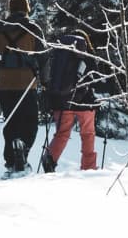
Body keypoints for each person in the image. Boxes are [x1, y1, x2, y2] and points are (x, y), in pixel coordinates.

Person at [0, 0, 45, 176]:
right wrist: (45, 81)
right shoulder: (34, 29)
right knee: (30, 121)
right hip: (27, 82)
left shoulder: (0, 30)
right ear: (26, 8)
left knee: (10, 121)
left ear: (11, 9)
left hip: (4, 83)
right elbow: (43, 57)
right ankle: (23, 148)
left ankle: (11, 161)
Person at [42, 31, 102, 172]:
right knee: (87, 134)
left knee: (62, 133)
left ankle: (50, 158)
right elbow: (95, 78)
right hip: (85, 102)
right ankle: (88, 167)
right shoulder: (87, 54)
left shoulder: (60, 54)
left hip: (62, 100)